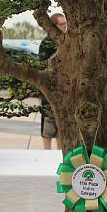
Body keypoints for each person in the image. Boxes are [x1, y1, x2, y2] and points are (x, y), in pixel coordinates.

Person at [38, 12, 67, 149]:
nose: (65, 26)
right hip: (49, 88)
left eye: (65, 23)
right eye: (62, 24)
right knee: (48, 125)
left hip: (64, 88)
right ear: (54, 26)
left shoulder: (66, 40)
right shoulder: (47, 42)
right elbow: (45, 65)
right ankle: (47, 154)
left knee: (62, 126)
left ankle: (59, 154)